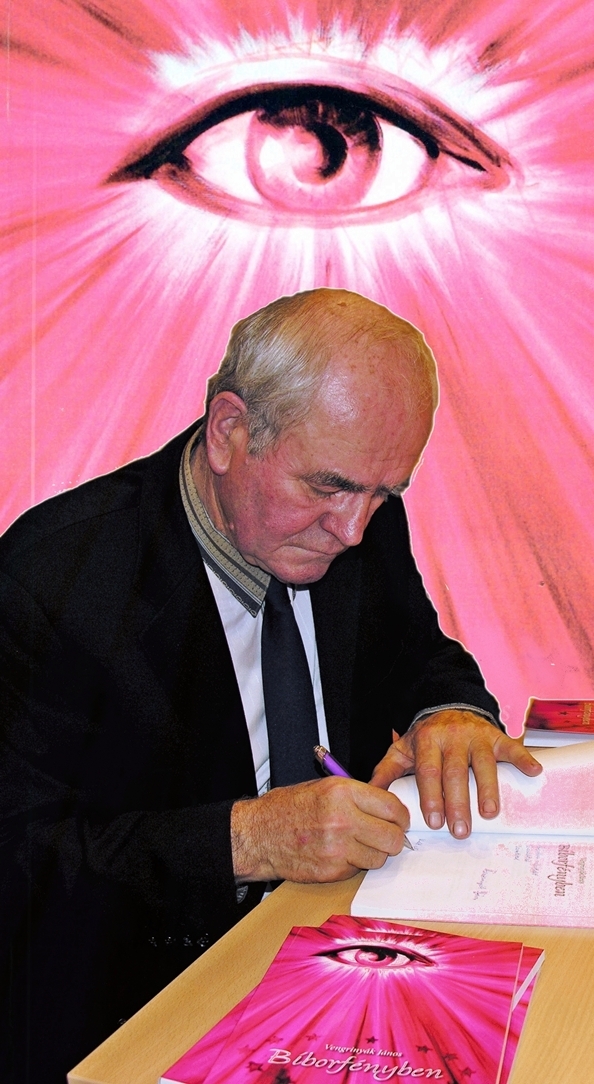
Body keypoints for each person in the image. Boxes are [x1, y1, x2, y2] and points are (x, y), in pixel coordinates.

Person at [0, 289, 541, 1082]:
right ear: (229, 432)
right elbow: (23, 866)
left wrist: (448, 710)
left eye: (384, 494)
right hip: (143, 1009)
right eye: (327, 488)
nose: (353, 530)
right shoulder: (55, 580)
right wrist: (247, 840)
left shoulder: (357, 505)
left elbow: (413, 650)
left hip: (348, 960)